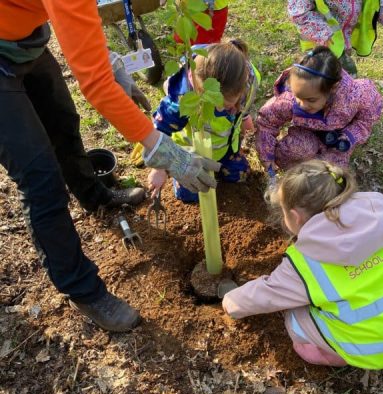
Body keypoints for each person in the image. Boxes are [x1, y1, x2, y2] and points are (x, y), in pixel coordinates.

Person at [0, 0, 220, 332]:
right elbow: (96, 86)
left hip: (21, 38)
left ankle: (95, 196)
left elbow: (81, 25)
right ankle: (82, 289)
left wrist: (111, 65)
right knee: (40, 178)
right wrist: (167, 153)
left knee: (63, 124)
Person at [222, 160, 383, 369]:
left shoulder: (304, 264)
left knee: (294, 320)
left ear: (295, 217)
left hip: (374, 352)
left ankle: (336, 356)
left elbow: (267, 294)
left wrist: (230, 301)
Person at [148, 39, 260, 203]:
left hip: (225, 148)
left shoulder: (248, 81)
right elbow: (159, 131)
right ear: (198, 88)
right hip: (189, 155)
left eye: (227, 105)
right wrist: (159, 167)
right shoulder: (183, 100)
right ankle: (180, 174)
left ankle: (224, 159)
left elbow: (243, 113)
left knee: (240, 175)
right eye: (214, 104)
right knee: (190, 194)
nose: (221, 110)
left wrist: (247, 130)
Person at [255, 46, 382, 173]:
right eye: (298, 97)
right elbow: (267, 123)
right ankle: (296, 176)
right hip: (305, 134)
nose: (302, 105)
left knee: (331, 172)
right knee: (297, 150)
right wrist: (267, 155)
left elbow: (367, 118)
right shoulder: (289, 101)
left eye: (311, 100)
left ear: (332, 88)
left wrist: (350, 135)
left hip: (336, 140)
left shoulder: (356, 96)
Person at [288, 0, 383, 75]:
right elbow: (299, 11)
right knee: (318, 85)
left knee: (342, 83)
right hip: (319, 44)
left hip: (343, 43)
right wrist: (322, 33)